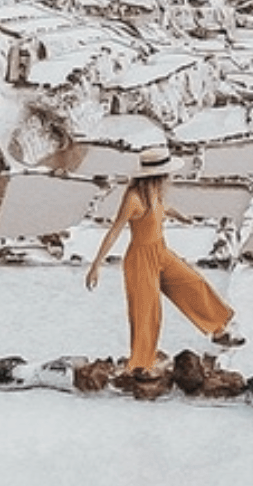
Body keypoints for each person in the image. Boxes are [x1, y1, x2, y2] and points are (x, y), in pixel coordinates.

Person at [85, 144, 243, 374]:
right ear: (157, 175)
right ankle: (140, 365)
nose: (170, 177)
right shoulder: (133, 198)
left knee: (193, 284)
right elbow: (114, 231)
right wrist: (95, 266)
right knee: (147, 312)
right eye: (167, 173)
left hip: (160, 251)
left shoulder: (154, 192)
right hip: (140, 260)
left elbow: (161, 208)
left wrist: (181, 216)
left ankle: (218, 331)